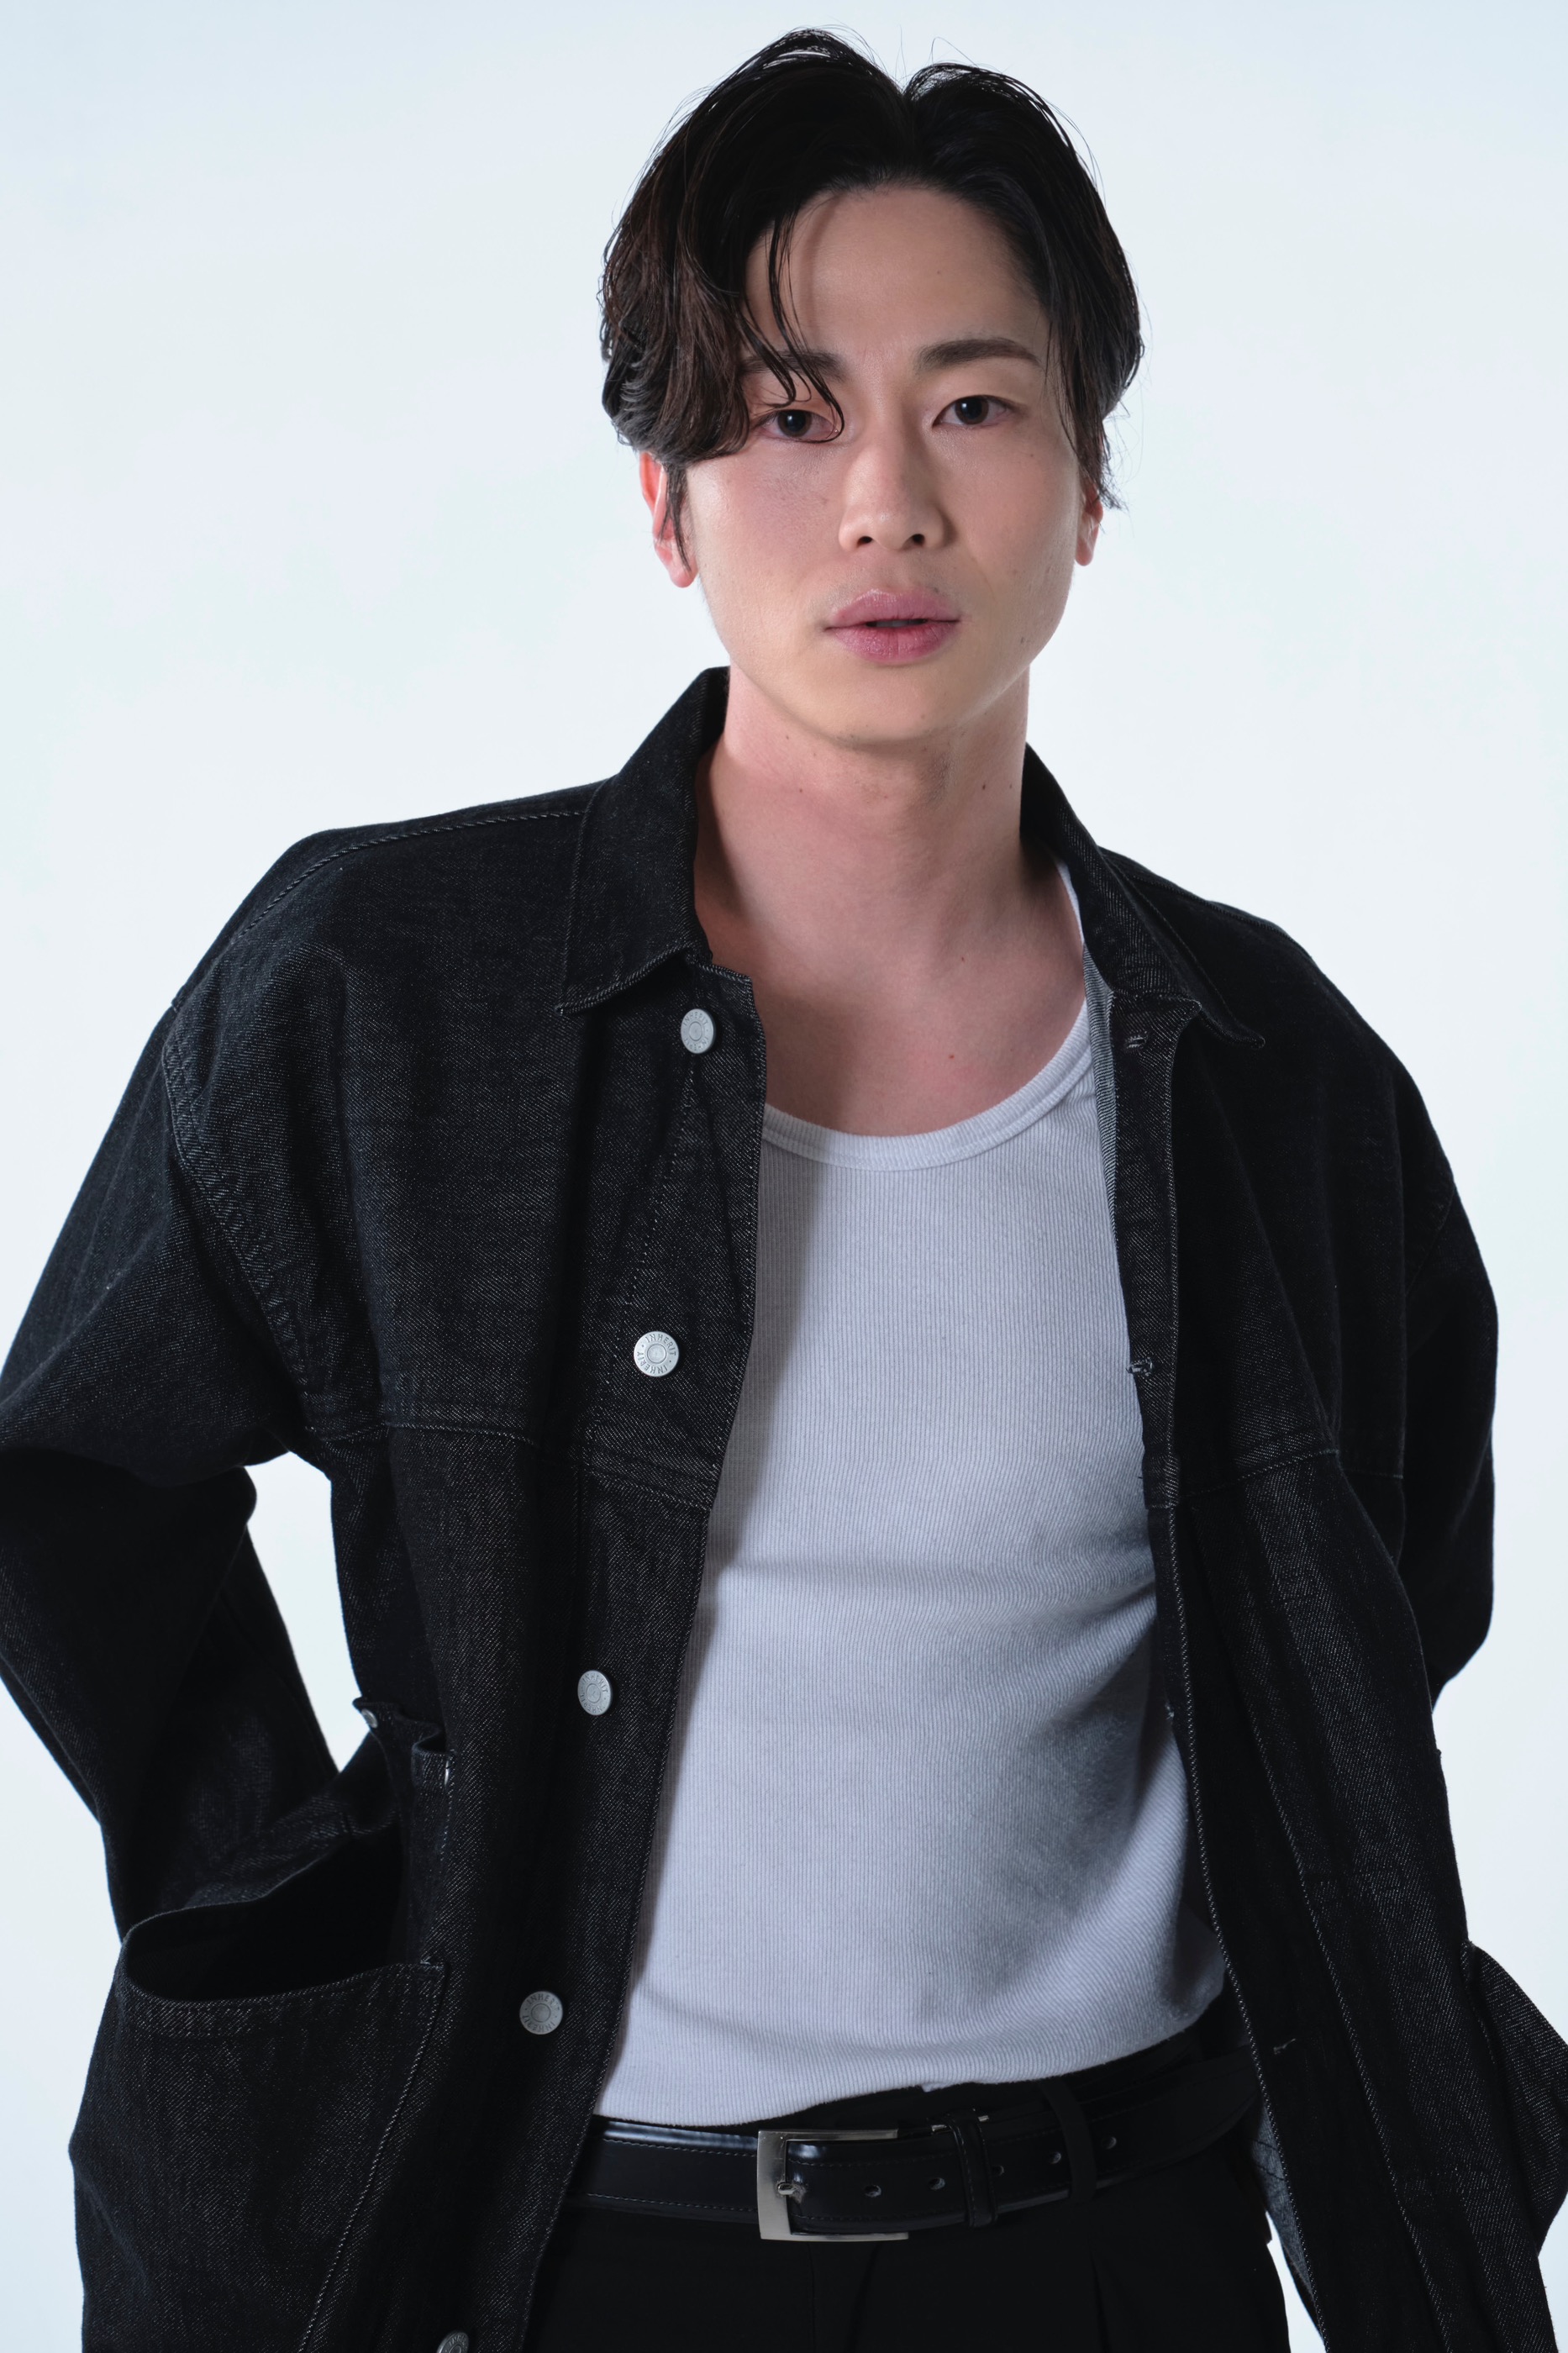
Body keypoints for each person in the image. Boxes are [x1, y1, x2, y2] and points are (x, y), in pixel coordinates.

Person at [0, 28, 1563, 2353]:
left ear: (1087, 483)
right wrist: (298, 1898)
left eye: (974, 404)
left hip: (1115, 2261)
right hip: (559, 2265)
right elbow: (74, 1467)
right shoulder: (382, 991)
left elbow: (1377, 1615)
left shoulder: (1272, 1078)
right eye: (787, 413)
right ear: (665, 501)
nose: (886, 506)